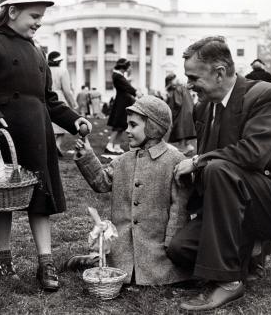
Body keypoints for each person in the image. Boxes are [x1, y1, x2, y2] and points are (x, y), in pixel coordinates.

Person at [0, 0, 91, 291]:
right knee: (2, 197)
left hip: (35, 133)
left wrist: (75, 121)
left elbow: (49, 99)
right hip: (1, 135)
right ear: (12, 11)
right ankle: (5, 260)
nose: (39, 22)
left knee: (40, 199)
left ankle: (45, 263)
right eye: (34, 15)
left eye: (41, 16)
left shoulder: (37, 50)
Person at [168, 36, 271, 312]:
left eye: (193, 76)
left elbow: (253, 154)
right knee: (180, 249)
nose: (188, 84)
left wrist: (198, 161)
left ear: (220, 73)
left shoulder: (263, 95)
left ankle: (230, 281)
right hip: (235, 198)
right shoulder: (204, 107)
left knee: (218, 168)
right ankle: (251, 250)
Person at [74, 96, 191, 285]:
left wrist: (171, 245)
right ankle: (94, 261)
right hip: (123, 254)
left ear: (152, 127)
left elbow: (179, 208)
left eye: (133, 125)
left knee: (161, 274)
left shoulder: (175, 161)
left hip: (158, 255)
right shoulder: (124, 160)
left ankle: (92, 260)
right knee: (113, 267)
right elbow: (101, 182)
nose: (127, 130)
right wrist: (86, 156)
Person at [105, 58, 141, 154]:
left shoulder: (119, 75)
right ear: (124, 66)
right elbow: (127, 87)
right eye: (129, 66)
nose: (130, 68)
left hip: (124, 102)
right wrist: (136, 92)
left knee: (122, 125)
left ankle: (116, 146)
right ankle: (109, 145)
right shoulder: (117, 76)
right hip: (121, 103)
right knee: (118, 125)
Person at [48, 51, 76, 156]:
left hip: (46, 97)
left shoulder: (46, 69)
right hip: (59, 97)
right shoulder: (63, 71)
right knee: (62, 124)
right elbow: (67, 91)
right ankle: (57, 144)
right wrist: (73, 103)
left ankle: (52, 145)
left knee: (50, 124)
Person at [165, 73, 196, 155]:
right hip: (188, 110)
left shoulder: (176, 89)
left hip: (182, 112)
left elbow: (177, 103)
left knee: (180, 130)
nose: (175, 80)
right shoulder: (182, 87)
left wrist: (171, 112)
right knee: (184, 131)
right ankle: (187, 146)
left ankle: (185, 147)